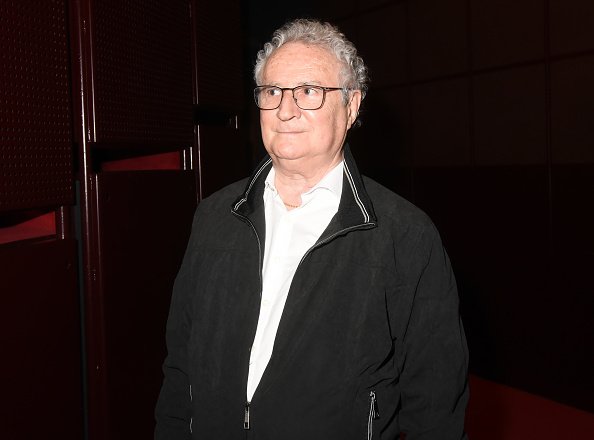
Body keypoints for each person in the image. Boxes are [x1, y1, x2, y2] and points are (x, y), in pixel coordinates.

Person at [155, 18, 469, 440]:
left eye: (308, 92)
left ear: (352, 105)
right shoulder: (214, 216)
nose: (285, 110)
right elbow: (180, 369)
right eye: (271, 92)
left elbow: (435, 407)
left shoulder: (404, 235)